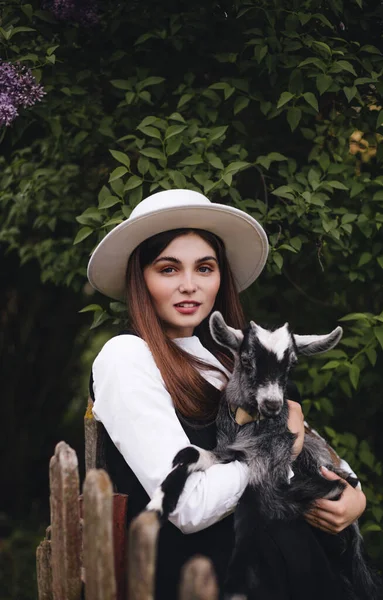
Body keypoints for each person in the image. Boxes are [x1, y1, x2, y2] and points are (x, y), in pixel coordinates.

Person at [87, 189, 366, 599]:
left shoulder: (227, 361)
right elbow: (188, 504)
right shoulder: (126, 357)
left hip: (287, 571)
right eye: (168, 269)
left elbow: (308, 441)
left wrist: (355, 495)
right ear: (140, 278)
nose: (189, 286)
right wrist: (278, 450)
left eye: (204, 268)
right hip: (203, 580)